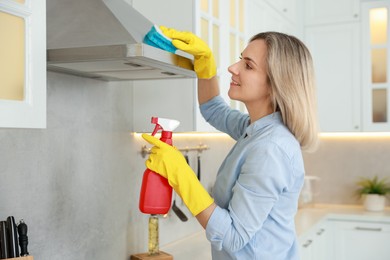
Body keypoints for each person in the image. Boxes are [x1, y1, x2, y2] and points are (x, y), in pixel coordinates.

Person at [142, 26, 319, 260]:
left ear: (276, 83)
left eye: (248, 65)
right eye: (240, 60)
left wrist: (181, 174)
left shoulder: (270, 148)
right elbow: (213, 110)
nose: (232, 68)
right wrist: (205, 66)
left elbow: (233, 236)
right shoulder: (256, 128)